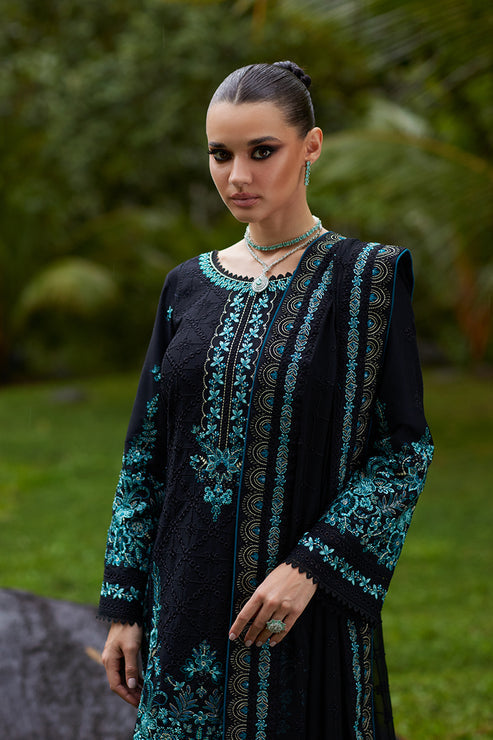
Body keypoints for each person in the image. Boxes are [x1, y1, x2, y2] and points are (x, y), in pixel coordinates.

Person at [99, 61, 433, 740]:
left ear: (311, 146)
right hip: (182, 608)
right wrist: (125, 608)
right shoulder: (186, 286)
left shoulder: (366, 281)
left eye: (261, 151)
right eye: (220, 155)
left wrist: (310, 567)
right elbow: (145, 459)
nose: (236, 176)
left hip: (299, 615)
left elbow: (403, 451)